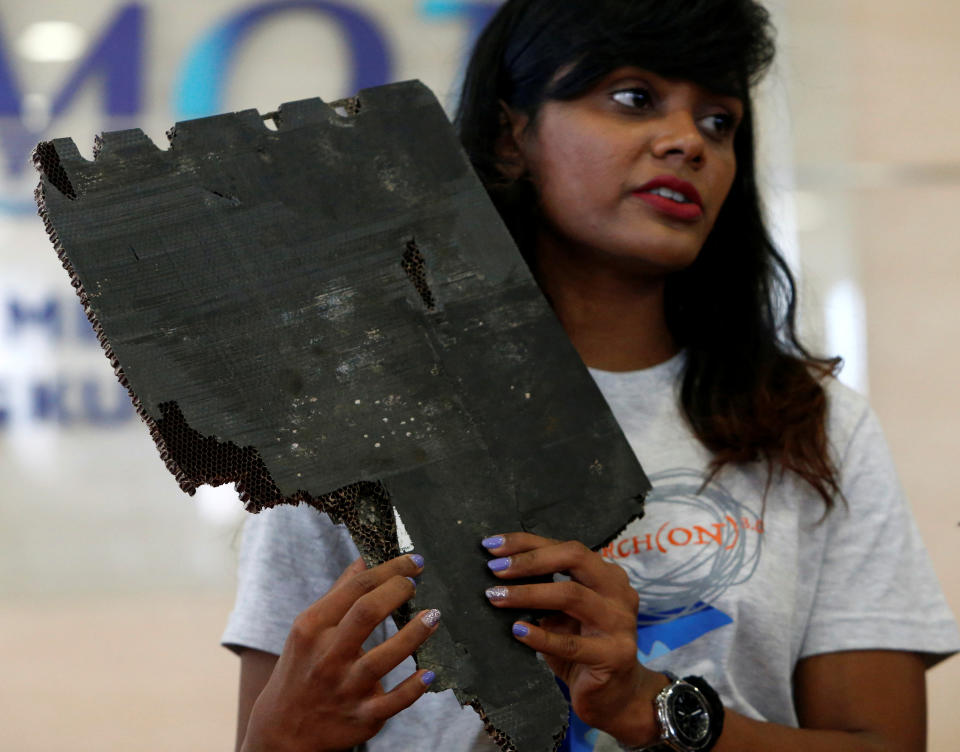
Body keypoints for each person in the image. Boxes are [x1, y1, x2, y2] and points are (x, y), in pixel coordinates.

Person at [222, 1, 960, 750]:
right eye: (635, 98)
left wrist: (654, 707)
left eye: (719, 122)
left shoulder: (813, 424)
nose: (686, 143)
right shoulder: (349, 425)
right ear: (513, 134)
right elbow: (280, 730)